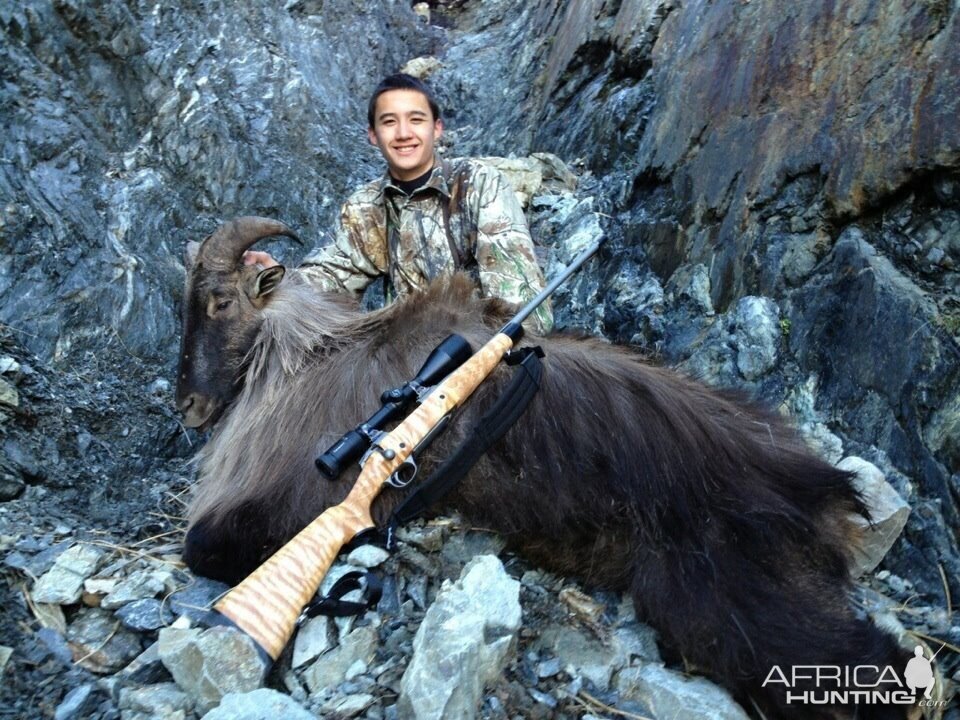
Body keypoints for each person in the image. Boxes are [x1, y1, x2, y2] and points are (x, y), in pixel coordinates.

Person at [245, 73, 553, 334]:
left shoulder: (478, 183)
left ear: (436, 128)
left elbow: (521, 303)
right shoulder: (366, 207)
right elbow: (332, 278)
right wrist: (281, 279)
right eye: (389, 122)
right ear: (373, 135)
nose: (404, 133)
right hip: (408, 363)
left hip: (483, 351)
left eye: (416, 120)